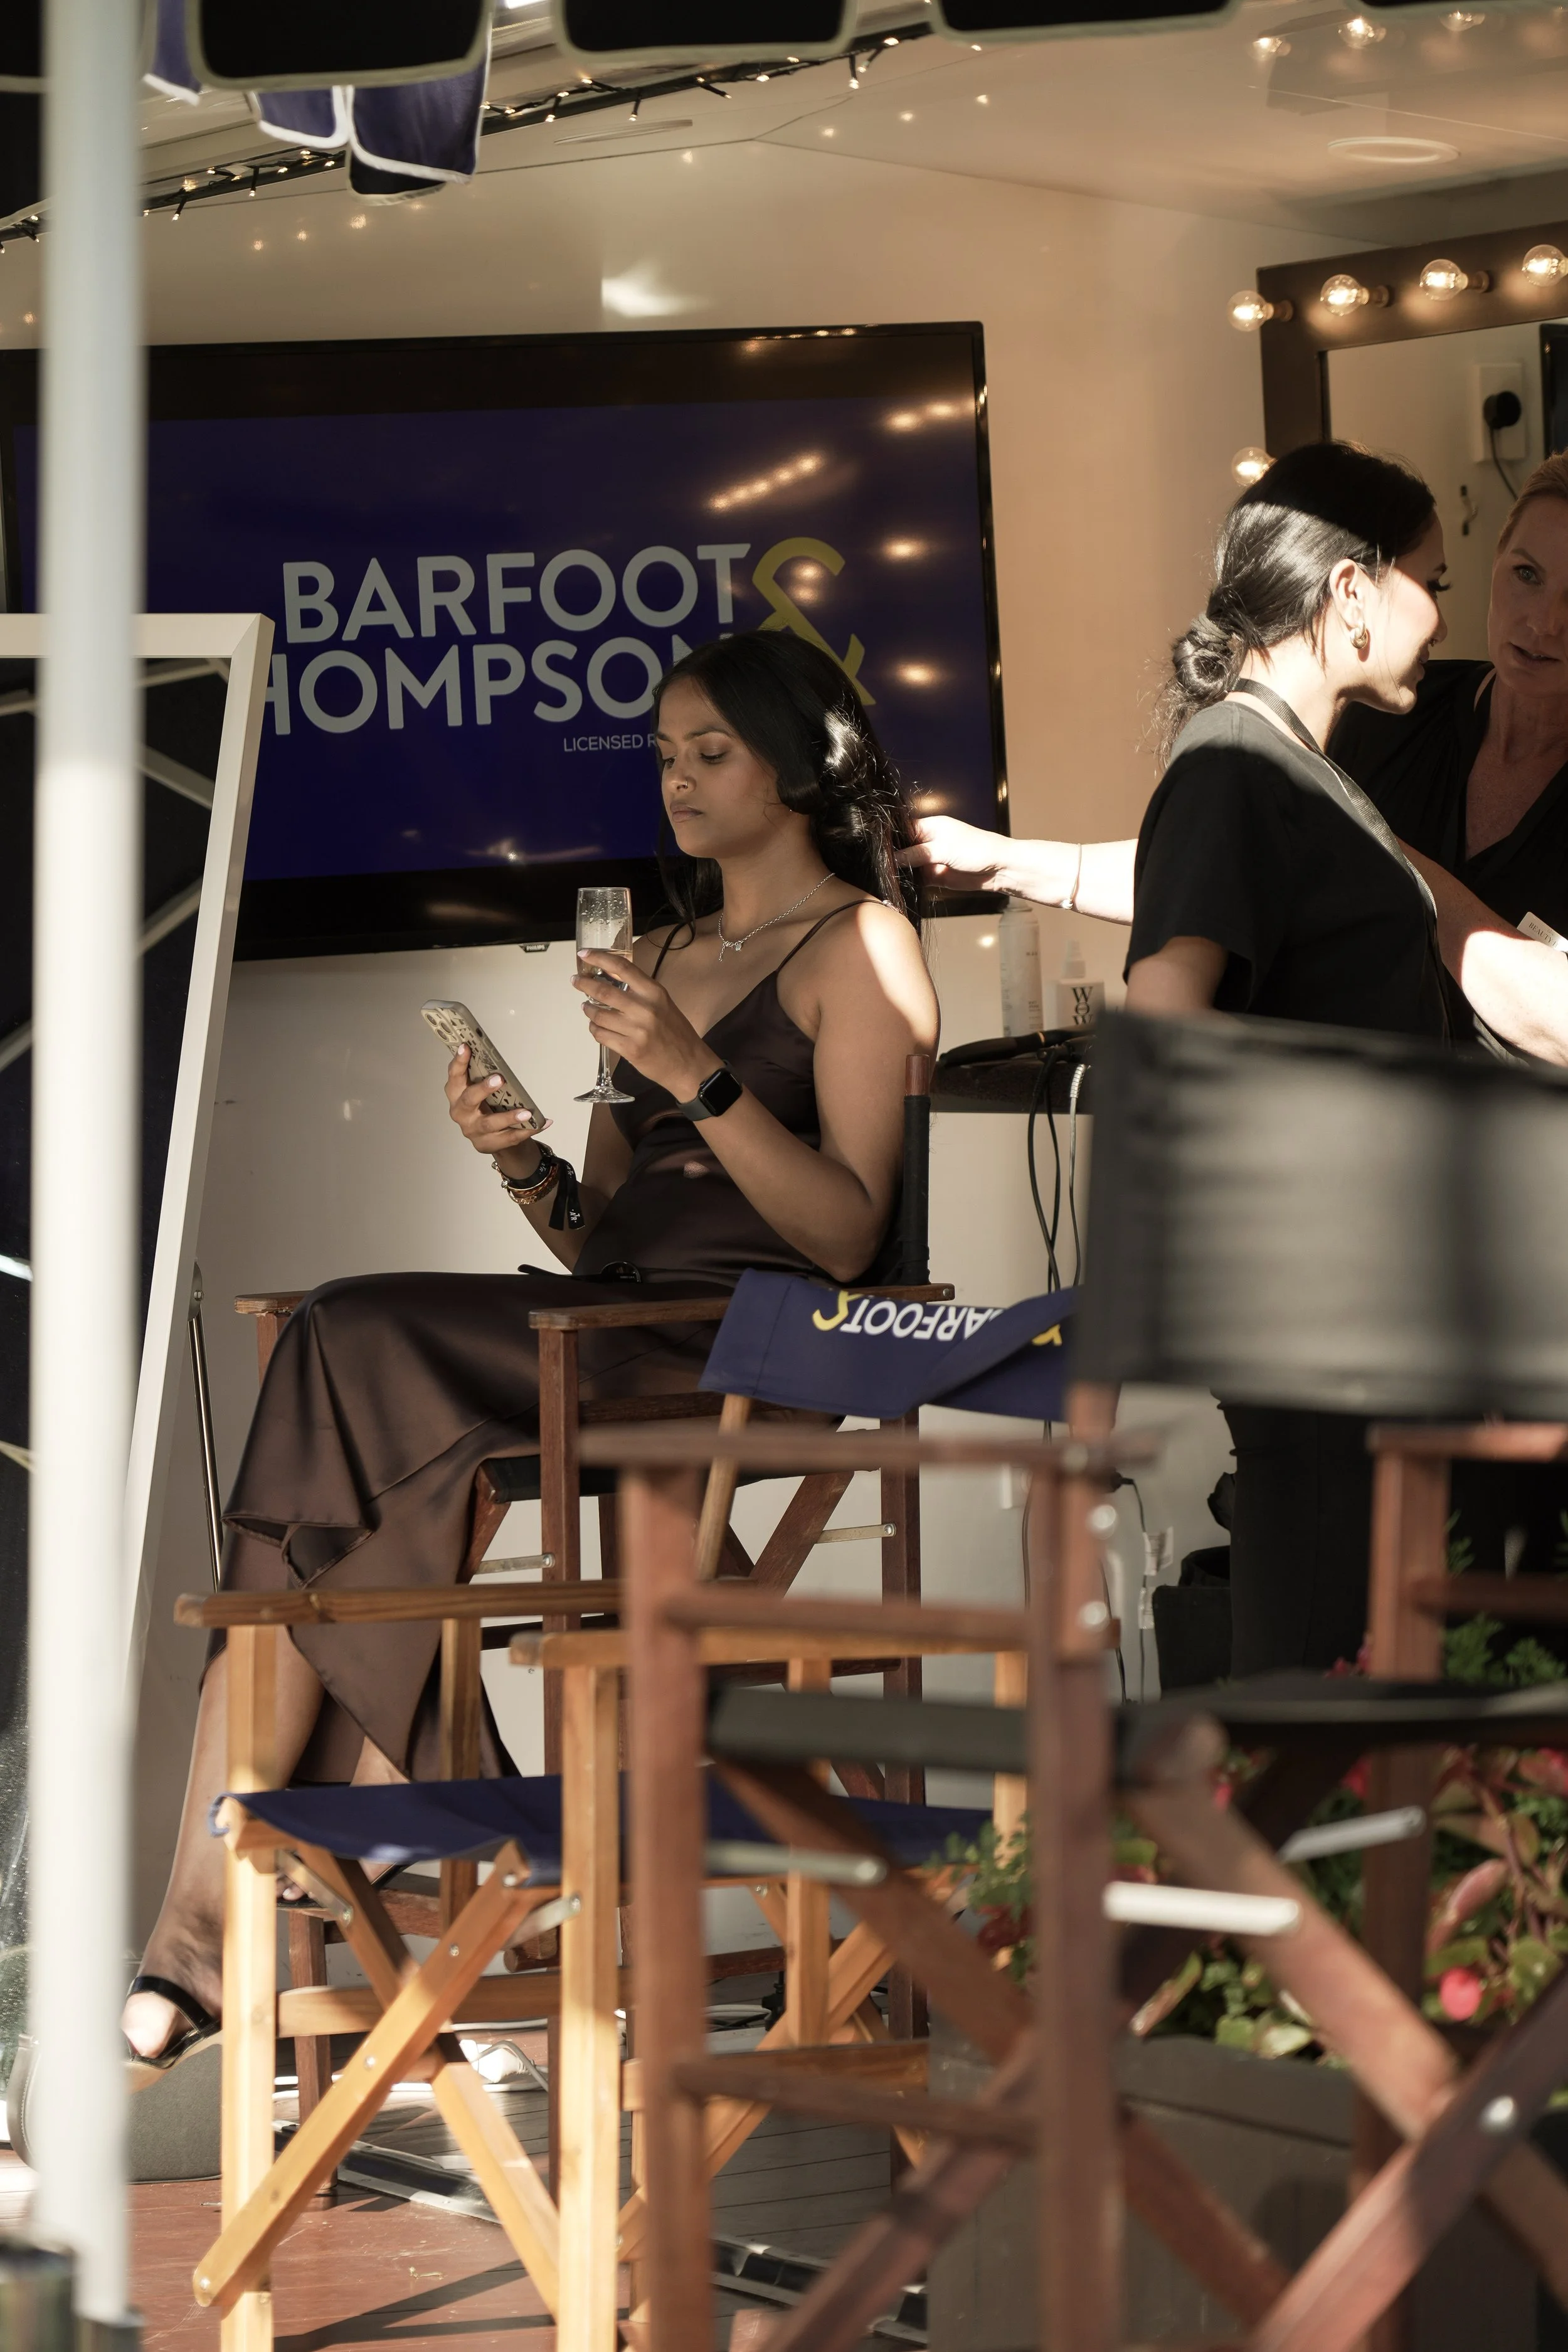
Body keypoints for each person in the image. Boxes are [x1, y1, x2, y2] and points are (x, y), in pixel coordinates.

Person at [124, 629, 938, 2072]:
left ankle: (244, 1914)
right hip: (610, 1330)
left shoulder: (859, 947)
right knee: (348, 1410)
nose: (677, 782)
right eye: (662, 754)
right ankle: (292, 1904)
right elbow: (607, 1241)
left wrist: (692, 1070)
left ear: (799, 769)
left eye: (710, 753)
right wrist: (519, 1165)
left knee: (343, 1335)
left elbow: (844, 1238)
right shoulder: (664, 955)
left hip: (743, 1356)